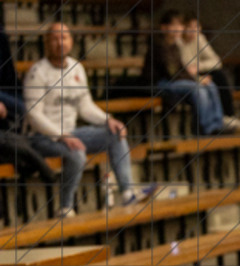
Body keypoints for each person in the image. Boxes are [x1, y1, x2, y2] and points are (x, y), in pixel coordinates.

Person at [24, 22, 154, 217]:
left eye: (64, 37)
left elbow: (85, 106)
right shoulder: (37, 72)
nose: (60, 42)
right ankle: (66, 207)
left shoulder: (76, 68)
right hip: (41, 137)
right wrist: (62, 136)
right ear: (46, 42)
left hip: (71, 132)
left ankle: (127, 192)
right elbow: (34, 115)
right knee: (77, 153)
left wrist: (107, 119)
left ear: (71, 41)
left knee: (114, 133)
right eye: (55, 38)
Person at [143, 10, 231, 137]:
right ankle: (205, 127)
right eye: (175, 25)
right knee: (198, 89)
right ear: (164, 27)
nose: (179, 29)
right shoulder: (159, 46)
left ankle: (217, 124)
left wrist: (198, 78)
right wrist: (196, 80)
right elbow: (171, 73)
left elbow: (181, 68)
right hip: (159, 83)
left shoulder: (174, 45)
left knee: (210, 85)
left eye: (180, 25)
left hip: (174, 80)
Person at [179, 13, 240, 131]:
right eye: (191, 27)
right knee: (210, 84)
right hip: (185, 76)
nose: (195, 30)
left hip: (198, 71)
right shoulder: (179, 42)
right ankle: (212, 124)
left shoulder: (199, 38)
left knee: (219, 75)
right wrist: (196, 73)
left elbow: (216, 61)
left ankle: (227, 117)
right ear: (183, 28)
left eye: (197, 26)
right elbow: (184, 67)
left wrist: (198, 67)